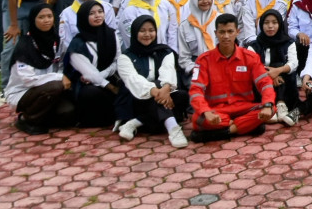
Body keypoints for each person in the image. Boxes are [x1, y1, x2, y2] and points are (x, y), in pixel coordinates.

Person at [189, 13, 277, 142]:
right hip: (216, 111)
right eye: (222, 32)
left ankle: (224, 132)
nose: (226, 36)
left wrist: (267, 104)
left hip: (243, 108)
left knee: (271, 109)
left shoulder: (250, 57)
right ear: (216, 33)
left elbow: (265, 83)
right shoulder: (204, 60)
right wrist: (205, 111)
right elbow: (196, 90)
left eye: (230, 31)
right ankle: (245, 127)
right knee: (198, 118)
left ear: (237, 32)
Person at [114, 16, 189, 148]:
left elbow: (168, 71)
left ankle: (135, 123)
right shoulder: (125, 57)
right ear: (135, 32)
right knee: (157, 95)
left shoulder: (165, 52)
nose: (147, 34)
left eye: (151, 30)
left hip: (161, 95)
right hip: (136, 99)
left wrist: (165, 89)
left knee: (182, 96)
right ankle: (173, 129)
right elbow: (133, 80)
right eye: (142, 31)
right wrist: (158, 92)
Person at [5, 4, 76, 134]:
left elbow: (60, 66)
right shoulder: (25, 45)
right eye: (41, 17)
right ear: (33, 20)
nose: (46, 20)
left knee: (68, 113)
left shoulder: (57, 41)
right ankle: (27, 119)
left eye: (49, 16)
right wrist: (60, 78)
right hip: (23, 92)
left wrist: (61, 77)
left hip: (49, 90)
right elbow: (28, 80)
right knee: (55, 86)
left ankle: (41, 117)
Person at [63, 0, 122, 128]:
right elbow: (90, 74)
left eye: (100, 12)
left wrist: (105, 74)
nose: (97, 16)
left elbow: (117, 61)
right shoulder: (77, 44)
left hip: (108, 77)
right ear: (84, 17)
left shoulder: (111, 34)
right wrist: (110, 87)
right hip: (88, 85)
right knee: (92, 93)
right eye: (92, 13)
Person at [250, 8, 299, 127]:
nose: (270, 26)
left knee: (282, 67)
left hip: (285, 84)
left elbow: (293, 63)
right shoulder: (254, 45)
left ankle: (281, 104)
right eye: (266, 23)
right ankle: (270, 106)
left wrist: (278, 71)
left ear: (280, 24)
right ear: (261, 25)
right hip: (262, 83)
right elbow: (251, 66)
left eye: (274, 22)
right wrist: (269, 76)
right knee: (260, 70)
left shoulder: (289, 42)